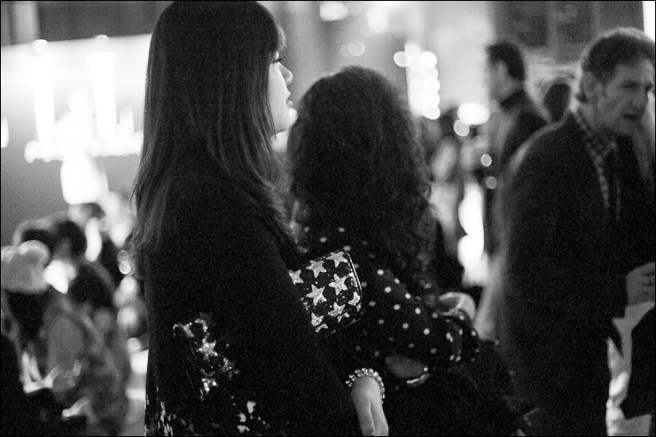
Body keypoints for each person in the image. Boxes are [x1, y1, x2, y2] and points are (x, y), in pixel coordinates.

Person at [131, 2, 386, 435]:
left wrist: (360, 376)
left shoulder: (186, 192)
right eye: (272, 60)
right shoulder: (214, 205)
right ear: (230, 78)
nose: (287, 75)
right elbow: (291, 368)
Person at [287, 65, 516, 435]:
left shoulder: (320, 233)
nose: (286, 73)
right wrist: (462, 312)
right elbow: (434, 342)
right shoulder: (349, 255)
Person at [495, 27, 655, 435]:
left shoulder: (615, 152)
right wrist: (617, 290)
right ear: (593, 86)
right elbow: (524, 274)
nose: (641, 101)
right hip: (547, 374)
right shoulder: (547, 158)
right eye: (629, 86)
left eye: (648, 88)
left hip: (582, 363)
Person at [1, 240, 128, 436]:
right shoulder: (33, 323)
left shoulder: (60, 322)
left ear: (15, 297)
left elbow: (61, 391)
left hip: (97, 416)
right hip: (73, 413)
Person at [474, 40, 549, 343]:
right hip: (506, 245)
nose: (483, 80)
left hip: (514, 247)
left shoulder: (525, 118)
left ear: (501, 69)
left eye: (485, 71)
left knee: (493, 334)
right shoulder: (509, 116)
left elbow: (529, 193)